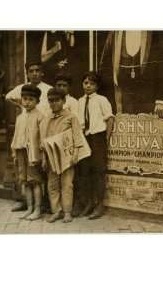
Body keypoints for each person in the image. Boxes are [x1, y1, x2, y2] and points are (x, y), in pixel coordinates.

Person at [6, 60, 51, 212]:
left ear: (42, 72)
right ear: (27, 73)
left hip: (40, 132)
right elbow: (8, 97)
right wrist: (21, 104)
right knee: (23, 177)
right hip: (24, 137)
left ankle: (42, 206)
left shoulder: (47, 89)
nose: (34, 73)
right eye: (31, 71)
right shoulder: (22, 89)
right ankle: (26, 204)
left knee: (38, 176)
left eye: (37, 70)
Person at [40, 88, 83, 223]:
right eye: (50, 101)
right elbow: (44, 141)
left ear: (64, 101)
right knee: (52, 185)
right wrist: (44, 158)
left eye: (57, 100)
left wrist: (75, 154)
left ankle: (67, 212)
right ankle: (56, 211)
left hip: (67, 156)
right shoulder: (47, 119)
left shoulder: (71, 117)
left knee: (67, 184)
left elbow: (77, 137)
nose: (53, 104)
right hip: (52, 157)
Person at [78, 71, 114, 219]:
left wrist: (106, 138)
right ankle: (89, 203)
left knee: (98, 171)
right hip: (84, 138)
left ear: (97, 86)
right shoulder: (80, 101)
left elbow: (110, 119)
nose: (88, 86)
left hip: (98, 138)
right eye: (86, 83)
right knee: (85, 172)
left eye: (92, 83)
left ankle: (100, 205)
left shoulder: (102, 100)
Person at [11, 84, 44, 221]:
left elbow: (42, 137)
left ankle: (37, 209)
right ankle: (29, 207)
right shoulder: (20, 118)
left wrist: (42, 155)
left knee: (35, 181)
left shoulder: (40, 116)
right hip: (21, 152)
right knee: (25, 182)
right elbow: (16, 136)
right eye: (25, 99)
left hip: (33, 154)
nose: (27, 102)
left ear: (37, 101)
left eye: (31, 99)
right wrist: (14, 152)